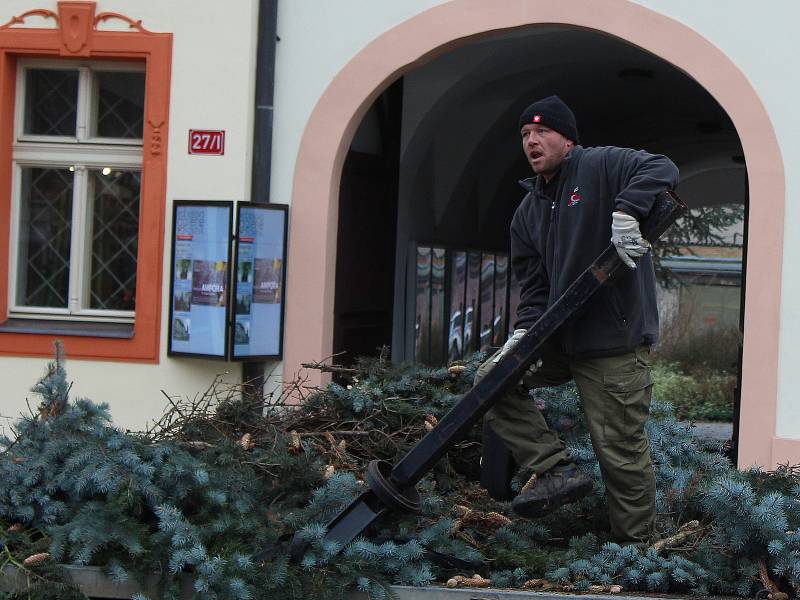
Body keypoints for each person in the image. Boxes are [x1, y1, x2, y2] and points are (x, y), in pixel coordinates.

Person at [474, 95, 679, 544]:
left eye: (542, 132)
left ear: (567, 138)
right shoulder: (526, 212)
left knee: (619, 454)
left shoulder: (600, 166)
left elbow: (662, 167)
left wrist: (627, 210)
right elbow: (534, 288)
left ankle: (635, 548)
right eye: (525, 135)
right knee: (492, 380)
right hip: (557, 340)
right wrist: (523, 335)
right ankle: (554, 470)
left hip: (613, 341)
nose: (532, 140)